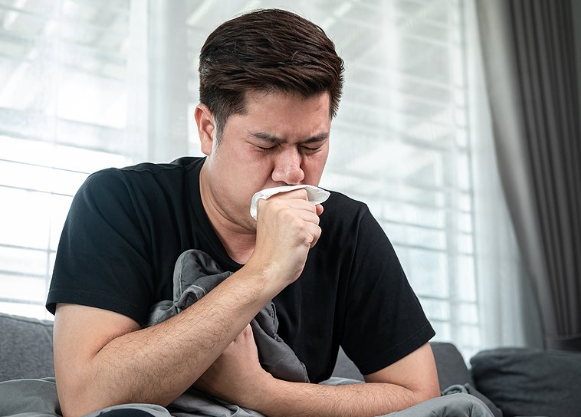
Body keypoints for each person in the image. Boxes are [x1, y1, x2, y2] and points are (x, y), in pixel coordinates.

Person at [46, 8, 440, 417]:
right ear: (207, 129)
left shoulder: (347, 228)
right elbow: (85, 399)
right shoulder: (119, 200)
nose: (292, 172)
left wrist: (261, 393)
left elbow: (423, 396)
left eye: (312, 146)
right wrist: (264, 273)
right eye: (266, 145)